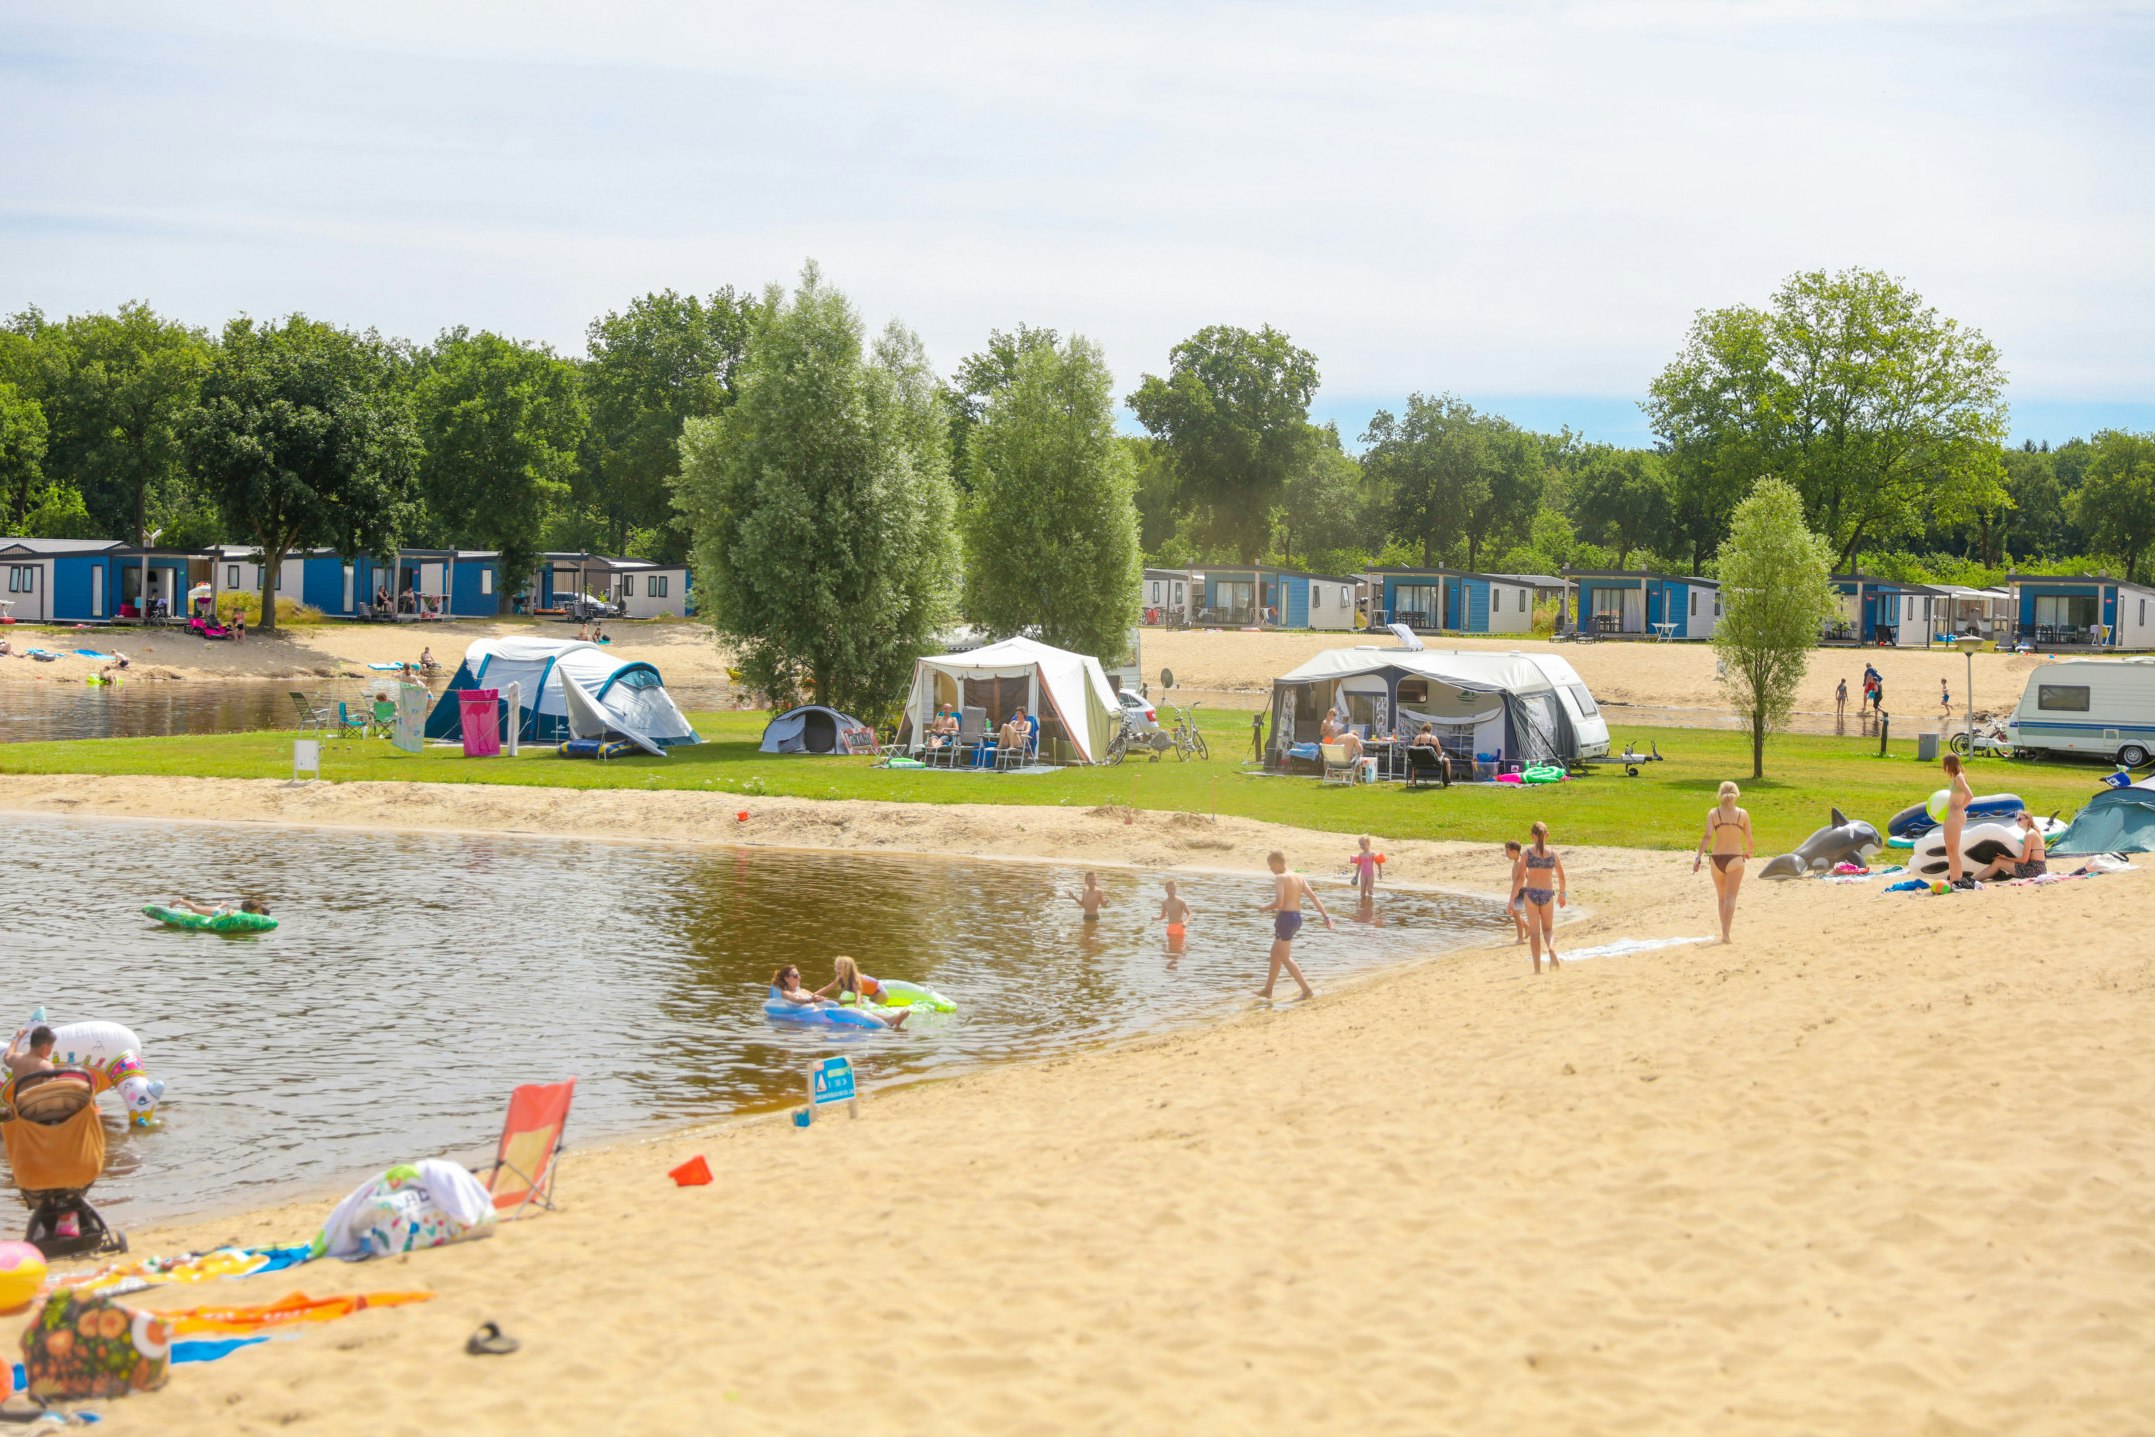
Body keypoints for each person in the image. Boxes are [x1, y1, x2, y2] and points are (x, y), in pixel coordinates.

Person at [1257, 850, 1330, 1000]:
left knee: (1284, 957)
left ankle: (1306, 990)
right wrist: (1326, 916)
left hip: (1286, 918)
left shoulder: (1280, 878)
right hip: (1296, 918)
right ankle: (1268, 989)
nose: (1270, 869)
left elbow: (1279, 903)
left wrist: (1264, 908)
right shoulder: (1299, 877)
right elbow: (1313, 896)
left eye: (1270, 866)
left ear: (1277, 863)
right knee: (1274, 954)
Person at [1693, 781, 1754, 944]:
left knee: (1721, 898)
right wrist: (1748, 852)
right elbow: (1749, 839)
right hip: (1735, 857)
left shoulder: (1713, 813)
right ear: (1736, 794)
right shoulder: (1743, 814)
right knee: (1731, 898)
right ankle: (1726, 934)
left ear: (1720, 795)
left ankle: (1724, 932)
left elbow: (1707, 836)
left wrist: (1698, 857)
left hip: (1717, 858)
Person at [771, 963, 904, 1028]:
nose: (799, 977)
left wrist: (848, 1001)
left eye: (799, 974)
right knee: (852, 1015)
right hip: (814, 1016)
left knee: (853, 1011)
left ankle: (889, 1019)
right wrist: (811, 999)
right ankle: (889, 1022)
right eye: (795, 976)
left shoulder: (804, 991)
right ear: (786, 979)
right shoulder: (785, 993)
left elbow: (827, 999)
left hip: (822, 1012)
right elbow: (795, 1000)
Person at [1516, 821, 1566, 973]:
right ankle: (1551, 949)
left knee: (1535, 933)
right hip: (1547, 894)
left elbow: (1519, 879)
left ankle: (1537, 969)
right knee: (1548, 929)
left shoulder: (1527, 854)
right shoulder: (1553, 854)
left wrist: (1513, 900)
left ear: (1532, 836)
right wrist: (1562, 894)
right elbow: (1562, 877)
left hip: (1531, 893)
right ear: (1547, 835)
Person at [1941, 753, 1975, 887]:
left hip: (1954, 816)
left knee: (1953, 850)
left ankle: (1957, 879)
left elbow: (1970, 795)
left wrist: (1959, 808)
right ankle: (1953, 879)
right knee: (1950, 849)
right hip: (1952, 815)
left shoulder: (1959, 777)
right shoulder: (1957, 777)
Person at [1502, 841, 1528, 944]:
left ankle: (1520, 938)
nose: (1506, 853)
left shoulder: (1518, 863)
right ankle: (1527, 927)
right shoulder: (1520, 860)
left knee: (1516, 914)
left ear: (1514, 851)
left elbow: (1518, 882)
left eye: (1507, 851)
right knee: (1516, 913)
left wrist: (1512, 899)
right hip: (1523, 890)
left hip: (1519, 891)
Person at [1155, 880, 1192, 951]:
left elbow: (1190, 913)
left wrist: (1186, 922)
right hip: (1170, 928)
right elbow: (1163, 916)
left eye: (1174, 889)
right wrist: (1156, 918)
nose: (1172, 891)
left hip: (1180, 928)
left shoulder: (1180, 901)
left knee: (1179, 949)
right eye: (1170, 889)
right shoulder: (1164, 903)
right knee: (1170, 949)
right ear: (1166, 889)